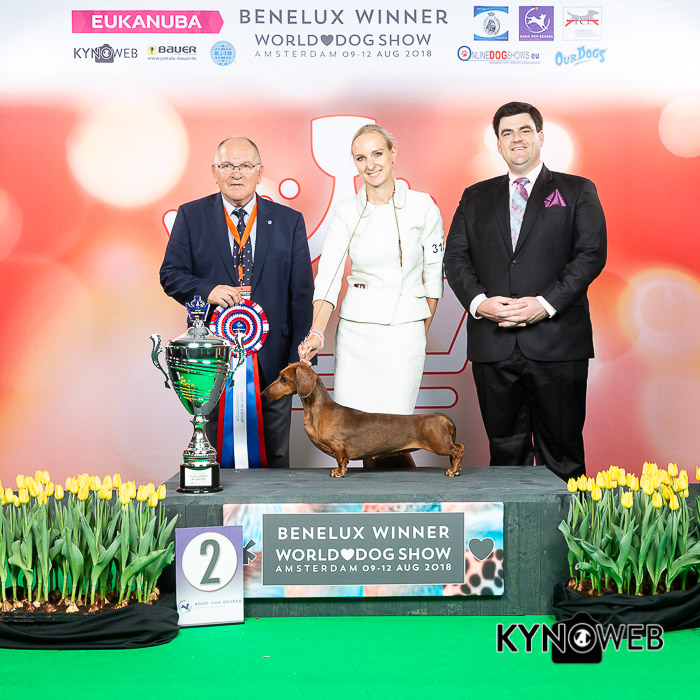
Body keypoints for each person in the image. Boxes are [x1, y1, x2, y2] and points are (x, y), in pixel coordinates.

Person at [444, 102, 607, 481]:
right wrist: (481, 303)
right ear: (498, 144)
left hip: (557, 344)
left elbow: (590, 254)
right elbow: (455, 258)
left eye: (524, 130)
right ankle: (512, 523)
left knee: (563, 453)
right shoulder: (474, 196)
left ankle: (567, 523)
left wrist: (545, 304)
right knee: (505, 454)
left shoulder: (577, 190)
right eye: (507, 133)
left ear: (540, 137)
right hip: (493, 345)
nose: (516, 139)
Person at [160, 136, 314, 467]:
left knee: (275, 456)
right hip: (210, 362)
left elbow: (301, 294)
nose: (236, 173)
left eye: (245, 165)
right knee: (214, 454)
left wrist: (295, 364)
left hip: (275, 363)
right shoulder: (191, 216)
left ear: (260, 172)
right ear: (214, 172)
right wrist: (207, 290)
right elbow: (170, 275)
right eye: (228, 165)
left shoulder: (288, 222)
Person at [298, 124, 444, 465]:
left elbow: (434, 278)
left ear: (393, 154)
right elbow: (329, 276)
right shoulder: (346, 211)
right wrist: (317, 331)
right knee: (357, 437)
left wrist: (418, 330)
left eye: (377, 154)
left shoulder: (422, 206)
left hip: (405, 332)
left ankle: (402, 499)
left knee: (396, 436)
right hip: (356, 334)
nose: (370, 164)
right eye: (360, 158)